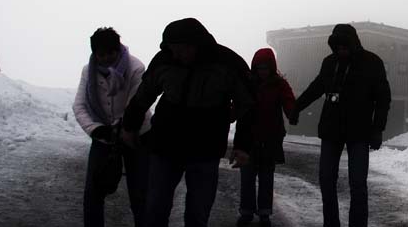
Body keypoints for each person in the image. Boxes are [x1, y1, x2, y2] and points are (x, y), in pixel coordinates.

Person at [121, 17, 256, 227]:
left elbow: (247, 104)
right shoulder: (165, 60)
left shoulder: (227, 63)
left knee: (198, 213)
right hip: (165, 146)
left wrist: (243, 146)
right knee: (155, 207)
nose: (176, 54)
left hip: (206, 149)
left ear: (196, 45)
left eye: (181, 49)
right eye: (172, 49)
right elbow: (143, 96)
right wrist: (129, 127)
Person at [293, 23, 391, 227]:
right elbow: (316, 88)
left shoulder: (372, 63)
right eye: (337, 47)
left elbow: (383, 99)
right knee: (326, 179)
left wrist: (377, 129)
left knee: (358, 184)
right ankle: (331, 223)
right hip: (331, 130)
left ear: (354, 44)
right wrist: (296, 107)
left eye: (345, 46)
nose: (341, 50)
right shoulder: (330, 63)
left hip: (360, 132)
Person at [73, 26, 150, 227]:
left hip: (135, 135)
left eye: (110, 53)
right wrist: (96, 129)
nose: (106, 58)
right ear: (94, 54)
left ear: (118, 49)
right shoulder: (87, 72)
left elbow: (137, 105)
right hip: (103, 137)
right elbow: (79, 106)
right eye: (101, 54)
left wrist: (122, 129)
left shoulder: (135, 68)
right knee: (93, 190)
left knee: (139, 191)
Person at [236, 48, 298, 227]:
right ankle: (246, 211)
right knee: (247, 177)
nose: (262, 71)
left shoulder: (279, 85)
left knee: (266, 178)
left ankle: (264, 212)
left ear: (271, 68)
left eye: (265, 68)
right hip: (248, 138)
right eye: (259, 68)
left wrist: (292, 112)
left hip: (270, 139)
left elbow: (288, 101)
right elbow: (238, 103)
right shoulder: (247, 84)